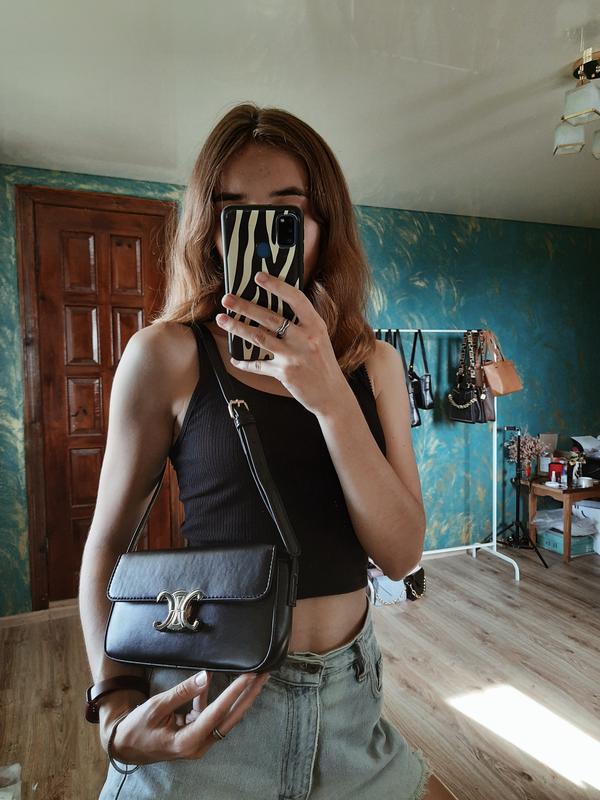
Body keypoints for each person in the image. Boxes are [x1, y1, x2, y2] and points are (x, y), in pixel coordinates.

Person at [79, 102, 458, 799]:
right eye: (233, 212)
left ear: (322, 227)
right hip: (210, 694)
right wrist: (113, 707)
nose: (257, 234)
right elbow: (106, 543)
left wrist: (330, 396)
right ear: (210, 231)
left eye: (286, 212)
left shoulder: (375, 365)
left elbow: (402, 555)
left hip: (351, 702)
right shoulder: (167, 355)